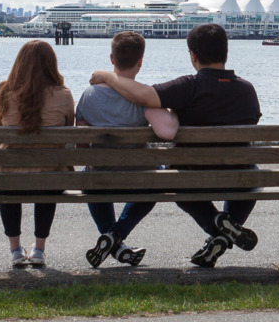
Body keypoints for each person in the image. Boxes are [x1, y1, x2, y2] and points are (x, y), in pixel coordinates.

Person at [90, 22, 261, 268]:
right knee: (252, 175)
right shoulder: (247, 90)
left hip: (192, 178)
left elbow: (143, 95)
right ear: (226, 52)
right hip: (239, 177)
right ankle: (224, 233)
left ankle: (217, 226)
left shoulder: (188, 87)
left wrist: (107, 76)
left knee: (177, 185)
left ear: (193, 56)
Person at [76, 30, 179, 269]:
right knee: (159, 178)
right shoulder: (143, 97)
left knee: (89, 175)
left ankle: (113, 242)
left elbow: (81, 146)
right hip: (139, 178)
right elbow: (167, 131)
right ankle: (116, 235)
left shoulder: (88, 95)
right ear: (140, 62)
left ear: (112, 59)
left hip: (100, 177)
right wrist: (173, 110)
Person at [0, 39, 75, 269]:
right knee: (48, 173)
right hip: (50, 179)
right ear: (51, 64)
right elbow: (68, 132)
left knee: (8, 176)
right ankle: (39, 249)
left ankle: (15, 251)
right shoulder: (63, 94)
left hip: (9, 179)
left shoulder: (3, 93)